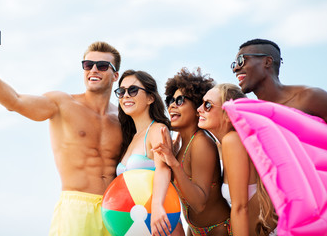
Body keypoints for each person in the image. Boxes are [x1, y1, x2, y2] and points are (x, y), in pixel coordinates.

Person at [0, 39, 123, 235]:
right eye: (87, 65)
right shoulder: (62, 103)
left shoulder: (122, 119)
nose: (93, 70)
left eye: (102, 66)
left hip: (115, 210)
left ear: (115, 75)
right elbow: (15, 101)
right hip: (76, 209)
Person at [152, 68, 232, 236]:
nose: (172, 105)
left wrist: (173, 163)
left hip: (219, 228)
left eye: (180, 100)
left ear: (197, 106)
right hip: (194, 229)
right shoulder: (179, 143)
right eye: (170, 100)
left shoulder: (201, 142)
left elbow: (199, 203)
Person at [197, 83, 278, 236]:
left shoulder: (232, 141)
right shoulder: (224, 145)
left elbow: (240, 208)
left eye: (208, 105)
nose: (199, 109)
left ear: (228, 114)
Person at [114, 69, 184, 236]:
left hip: (161, 221)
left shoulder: (157, 129)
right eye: (121, 91)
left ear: (150, 98)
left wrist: (157, 206)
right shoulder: (131, 137)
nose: (126, 95)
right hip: (137, 225)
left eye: (133, 90)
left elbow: (163, 169)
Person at [231, 38, 327, 122]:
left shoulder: (310, 97)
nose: (235, 69)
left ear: (267, 62)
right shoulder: (254, 116)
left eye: (241, 60)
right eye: (234, 64)